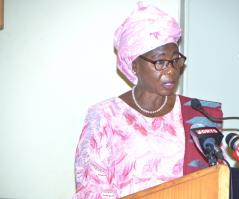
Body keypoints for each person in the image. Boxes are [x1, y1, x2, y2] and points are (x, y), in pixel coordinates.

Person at [73, 2, 223, 199]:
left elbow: (217, 180)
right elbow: (91, 190)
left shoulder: (198, 114)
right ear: (135, 65)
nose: (171, 70)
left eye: (175, 60)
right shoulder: (105, 117)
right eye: (160, 62)